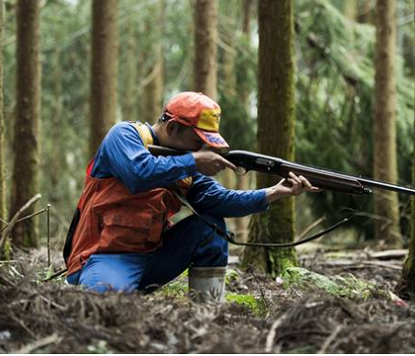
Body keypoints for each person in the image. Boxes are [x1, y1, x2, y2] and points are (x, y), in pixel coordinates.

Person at [64, 91, 319, 298]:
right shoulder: (125, 135)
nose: (202, 149)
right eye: (198, 142)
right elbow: (138, 174)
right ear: (173, 127)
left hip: (152, 257)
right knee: (105, 307)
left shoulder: (186, 164)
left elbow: (219, 201)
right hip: (103, 258)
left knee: (211, 227)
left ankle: (207, 317)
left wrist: (274, 192)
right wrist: (192, 160)